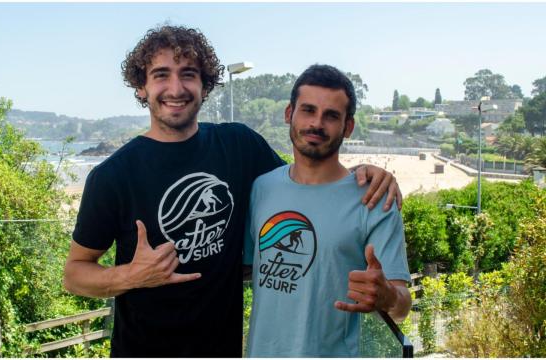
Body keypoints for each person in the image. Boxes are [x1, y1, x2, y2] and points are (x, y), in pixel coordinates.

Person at [63, 25, 401, 357]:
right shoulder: (112, 176)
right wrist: (131, 276)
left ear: (205, 85)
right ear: (141, 86)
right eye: (161, 75)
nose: (176, 88)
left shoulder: (240, 146)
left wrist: (363, 174)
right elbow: (75, 274)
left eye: (189, 74)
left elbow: (308, 177)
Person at [243, 64, 412, 357]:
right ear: (289, 114)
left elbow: (402, 307)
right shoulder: (262, 188)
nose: (316, 124)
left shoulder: (374, 200)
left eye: (331, 116)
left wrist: (386, 296)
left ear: (348, 126)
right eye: (308, 110)